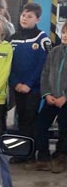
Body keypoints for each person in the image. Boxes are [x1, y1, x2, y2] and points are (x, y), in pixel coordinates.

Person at [9, 2, 51, 163]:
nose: (25, 18)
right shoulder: (13, 39)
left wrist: (29, 84)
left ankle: (32, 154)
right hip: (17, 87)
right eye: (23, 15)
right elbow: (7, 65)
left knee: (31, 119)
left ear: (37, 19)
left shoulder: (42, 38)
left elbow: (43, 65)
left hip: (33, 89)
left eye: (29, 16)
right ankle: (23, 153)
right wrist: (15, 83)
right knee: (21, 119)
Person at [32, 23, 67, 172]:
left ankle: (61, 157)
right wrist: (47, 94)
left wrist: (65, 97)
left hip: (65, 100)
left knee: (64, 129)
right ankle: (44, 157)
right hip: (51, 98)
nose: (65, 35)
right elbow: (45, 73)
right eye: (64, 32)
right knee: (41, 125)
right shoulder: (54, 52)